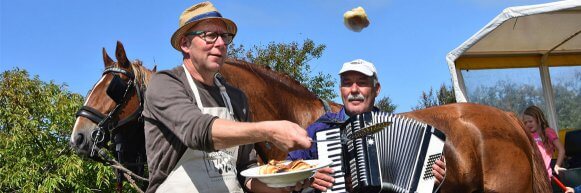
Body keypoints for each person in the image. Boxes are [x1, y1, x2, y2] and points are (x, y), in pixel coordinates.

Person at [142, 2, 314, 192]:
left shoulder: (236, 98)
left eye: (224, 36)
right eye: (210, 35)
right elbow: (196, 132)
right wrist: (269, 131)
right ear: (185, 44)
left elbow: (245, 170)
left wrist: (281, 185)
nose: (221, 43)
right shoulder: (165, 84)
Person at [288, 59, 446, 192]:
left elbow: (419, 187)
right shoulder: (322, 128)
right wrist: (309, 175)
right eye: (347, 84)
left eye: (362, 83)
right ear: (341, 90)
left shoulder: (395, 127)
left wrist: (432, 182)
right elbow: (287, 167)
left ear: (376, 89)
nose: (354, 90)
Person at [522, 105, 566, 180]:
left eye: (530, 121)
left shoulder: (547, 132)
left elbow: (561, 150)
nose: (528, 124)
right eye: (525, 123)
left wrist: (557, 165)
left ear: (539, 120)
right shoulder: (528, 136)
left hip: (545, 175)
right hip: (532, 174)